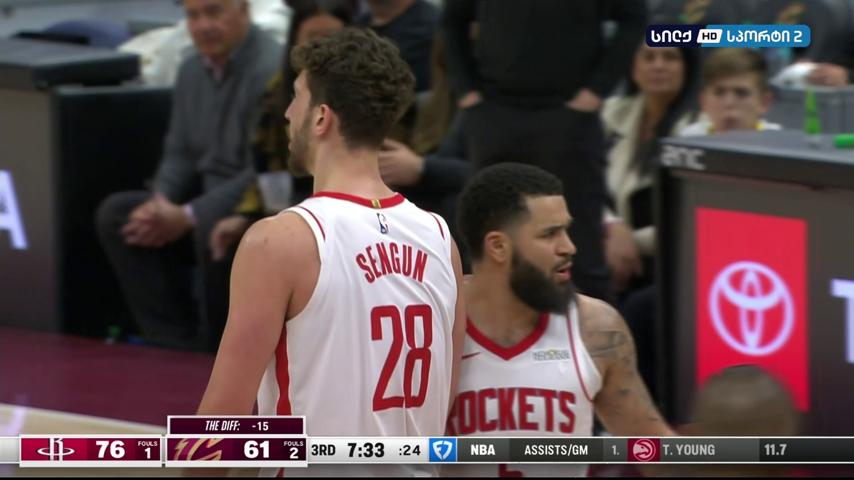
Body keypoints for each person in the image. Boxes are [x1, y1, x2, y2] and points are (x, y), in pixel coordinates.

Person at [197, 28, 465, 476]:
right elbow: (443, 402)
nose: (287, 112)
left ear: (321, 118)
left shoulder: (280, 241)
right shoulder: (441, 239)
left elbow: (221, 423)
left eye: (296, 97)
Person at [446, 163, 673, 477]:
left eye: (566, 230)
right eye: (549, 234)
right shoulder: (432, 325)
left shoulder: (595, 327)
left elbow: (653, 450)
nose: (569, 247)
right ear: (498, 246)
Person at [95, 0, 282, 351]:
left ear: (244, 10)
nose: (203, 26)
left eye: (214, 12)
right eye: (193, 16)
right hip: (200, 199)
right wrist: (160, 203)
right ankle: (169, 341)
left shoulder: (270, 68)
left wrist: (188, 215)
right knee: (119, 215)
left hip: (253, 205)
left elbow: (264, 171)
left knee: (211, 225)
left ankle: (213, 348)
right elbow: (179, 153)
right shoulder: (191, 69)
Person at [442, 0, 648, 305]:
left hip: (569, 113)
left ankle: (593, 335)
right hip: (494, 112)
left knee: (581, 249)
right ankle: (481, 333)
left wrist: (596, 90)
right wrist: (466, 91)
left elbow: (634, 18)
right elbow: (452, 21)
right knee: (489, 241)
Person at [208, 0, 354, 261]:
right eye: (313, 40)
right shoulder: (277, 92)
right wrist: (248, 215)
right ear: (296, 43)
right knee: (232, 243)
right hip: (292, 201)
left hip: (352, 206)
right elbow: (266, 164)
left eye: (333, 39)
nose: (323, 50)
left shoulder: (368, 96)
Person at [602, 44, 698, 294]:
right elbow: (582, 181)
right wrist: (611, 228)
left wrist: (629, 243)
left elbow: (690, 217)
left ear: (687, 68)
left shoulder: (700, 128)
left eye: (670, 57)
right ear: (634, 68)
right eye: (649, 57)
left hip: (671, 262)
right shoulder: (611, 112)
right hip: (603, 246)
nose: (658, 65)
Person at [681, 49, 781, 136]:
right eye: (719, 93)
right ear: (703, 101)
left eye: (741, 93)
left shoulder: (778, 142)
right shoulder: (689, 138)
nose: (729, 102)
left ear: (764, 102)